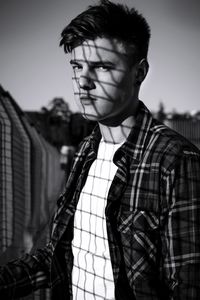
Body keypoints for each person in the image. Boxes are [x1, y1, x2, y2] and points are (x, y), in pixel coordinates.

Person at [1, 0, 200, 299]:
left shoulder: (175, 161)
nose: (83, 81)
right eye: (77, 66)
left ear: (139, 72)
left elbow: (187, 288)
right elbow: (60, 259)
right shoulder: (85, 152)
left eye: (102, 67)